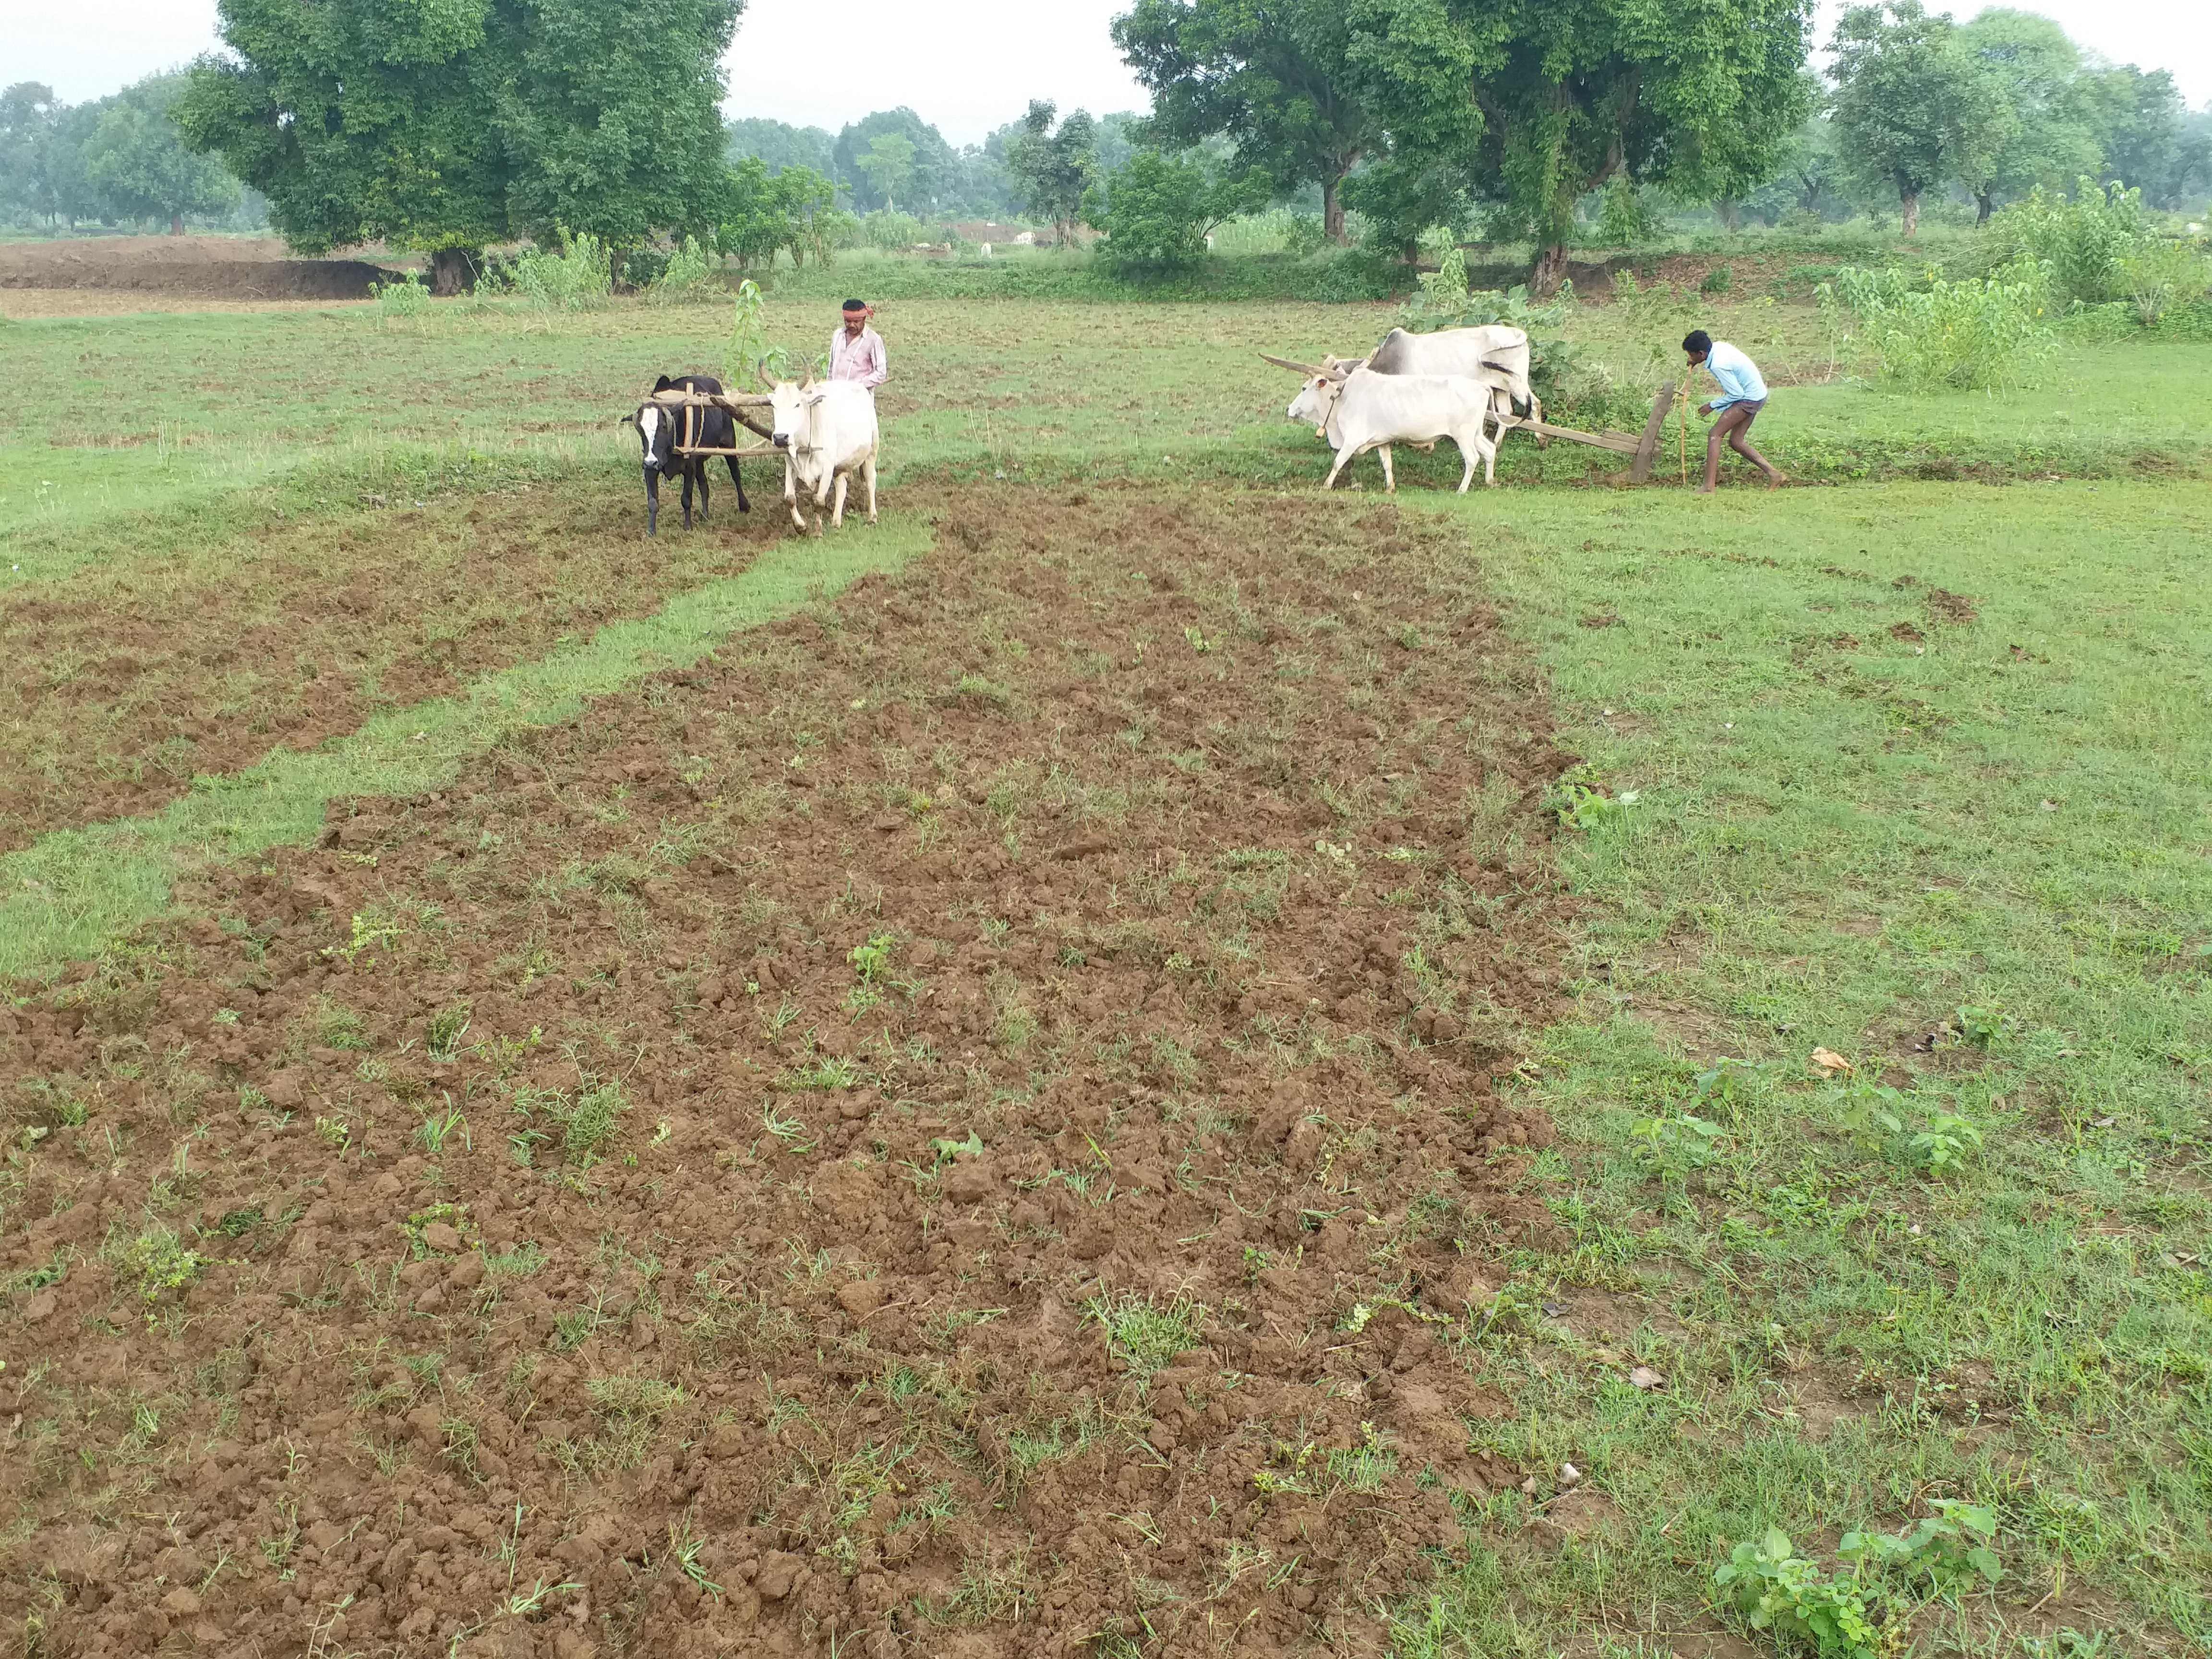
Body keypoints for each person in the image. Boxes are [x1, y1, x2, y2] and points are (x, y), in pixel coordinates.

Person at [1682, 329, 1783, 493]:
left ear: (1701, 353)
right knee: (1736, 441)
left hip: (1749, 399)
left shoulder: (1718, 364)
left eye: (1691, 355)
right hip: (1758, 394)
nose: (1690, 359)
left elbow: (1736, 394)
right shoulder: (1719, 347)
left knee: (1715, 435)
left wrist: (1712, 405)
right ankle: (1774, 474)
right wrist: (1697, 361)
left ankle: (1708, 487)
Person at [829, 299, 888, 392]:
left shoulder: (873, 340)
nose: (852, 325)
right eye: (848, 321)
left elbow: (881, 373)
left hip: (859, 397)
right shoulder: (837, 336)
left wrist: (858, 386)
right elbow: (832, 366)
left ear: (864, 319)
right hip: (835, 394)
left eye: (856, 322)